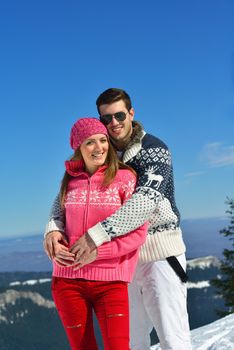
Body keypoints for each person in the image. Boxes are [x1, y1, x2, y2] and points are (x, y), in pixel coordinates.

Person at [44, 89, 192, 350]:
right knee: (132, 342)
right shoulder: (101, 149)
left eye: (120, 115)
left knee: (173, 338)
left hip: (158, 254)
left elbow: (145, 201)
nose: (114, 123)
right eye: (106, 119)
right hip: (119, 262)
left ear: (131, 114)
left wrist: (95, 237)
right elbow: (67, 196)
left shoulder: (154, 149)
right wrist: (52, 228)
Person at [48, 117, 147, 350]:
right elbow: (57, 218)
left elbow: (138, 233)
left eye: (103, 140)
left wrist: (99, 252)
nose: (99, 147)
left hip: (110, 281)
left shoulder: (125, 178)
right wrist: (51, 234)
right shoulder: (69, 181)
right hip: (67, 280)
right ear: (78, 148)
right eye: (90, 142)